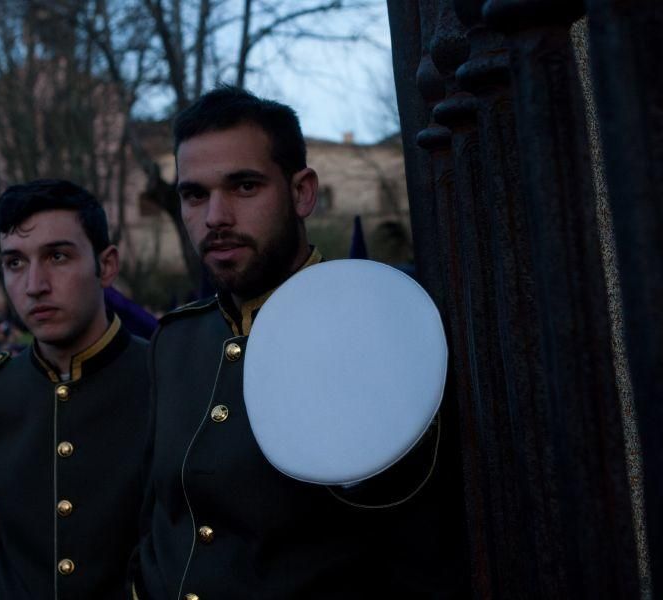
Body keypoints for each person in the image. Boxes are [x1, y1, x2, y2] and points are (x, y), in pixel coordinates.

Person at [130, 87, 469, 599]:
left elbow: (422, 548)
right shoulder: (175, 342)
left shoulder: (379, 329)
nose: (215, 216)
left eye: (244, 186)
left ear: (302, 192)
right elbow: (160, 521)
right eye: (194, 194)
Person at [0, 179, 150, 599]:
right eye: (15, 263)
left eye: (57, 256)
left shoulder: (169, 377)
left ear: (106, 265)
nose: (34, 284)